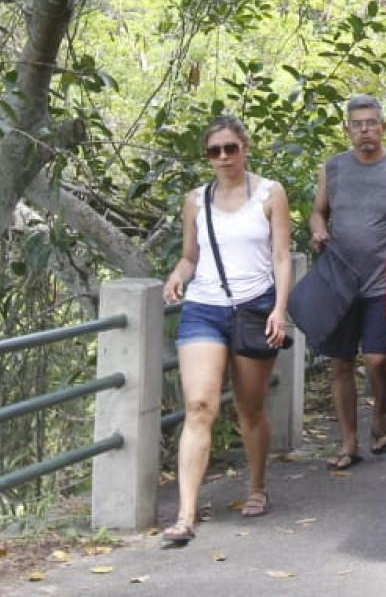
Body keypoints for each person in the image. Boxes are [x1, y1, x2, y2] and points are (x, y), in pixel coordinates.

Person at [159, 116, 293, 547]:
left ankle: (257, 486)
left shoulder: (270, 194)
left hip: (254, 307)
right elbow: (190, 256)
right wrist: (177, 275)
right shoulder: (195, 201)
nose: (223, 157)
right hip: (204, 307)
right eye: (214, 151)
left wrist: (279, 310)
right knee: (199, 405)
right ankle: (185, 515)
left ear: (244, 148)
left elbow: (281, 256)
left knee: (249, 407)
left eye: (230, 148)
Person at [310, 95, 386, 471]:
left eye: (371, 123)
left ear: (383, 127)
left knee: (377, 359)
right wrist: (319, 231)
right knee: (340, 363)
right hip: (340, 282)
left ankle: (380, 413)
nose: (365, 130)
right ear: (348, 129)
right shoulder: (333, 169)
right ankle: (348, 442)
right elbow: (318, 212)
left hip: (382, 282)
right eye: (357, 124)